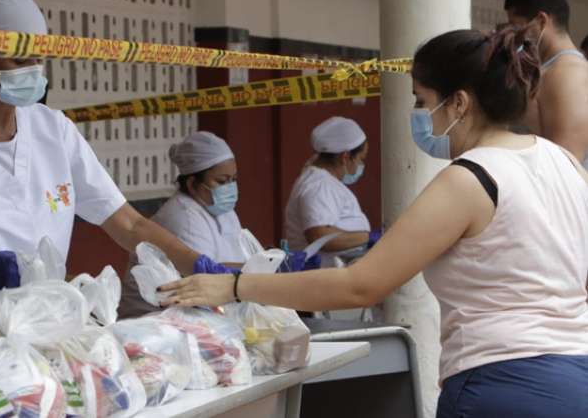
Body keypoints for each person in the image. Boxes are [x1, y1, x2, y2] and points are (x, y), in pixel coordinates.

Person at [161, 28, 588, 417]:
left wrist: (235, 287)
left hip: (503, 385)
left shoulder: (470, 178)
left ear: (459, 102)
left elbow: (361, 284)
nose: (422, 116)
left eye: (423, 100)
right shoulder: (565, 163)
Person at [0, 0, 224, 355]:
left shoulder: (53, 130)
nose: (33, 70)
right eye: (19, 60)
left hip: (31, 334)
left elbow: (129, 225)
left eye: (38, 58)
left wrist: (199, 265)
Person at [119, 131, 245, 318]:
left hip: (198, 316)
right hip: (155, 322)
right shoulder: (182, 217)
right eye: (222, 181)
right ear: (193, 183)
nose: (230, 187)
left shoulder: (224, 213)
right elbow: (204, 283)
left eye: (233, 180)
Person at [504, 0, 588, 168]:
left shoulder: (569, 74)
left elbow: (566, 165)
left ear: (541, 20)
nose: (514, 35)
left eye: (516, 26)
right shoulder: (549, 69)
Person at [284, 117, 377, 268]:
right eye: (361, 159)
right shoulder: (318, 186)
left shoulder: (324, 181)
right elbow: (320, 236)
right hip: (320, 280)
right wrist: (366, 237)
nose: (361, 165)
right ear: (345, 157)